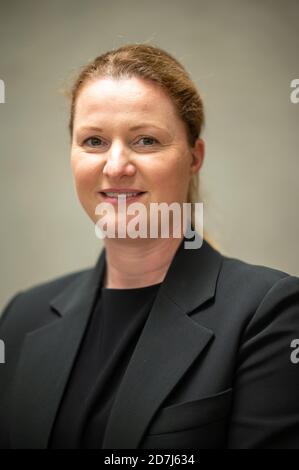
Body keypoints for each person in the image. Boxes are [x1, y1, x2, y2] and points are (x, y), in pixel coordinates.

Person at [0, 43, 299, 449]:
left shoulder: (268, 313)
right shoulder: (21, 317)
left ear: (194, 157)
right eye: (93, 141)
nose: (116, 166)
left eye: (145, 141)